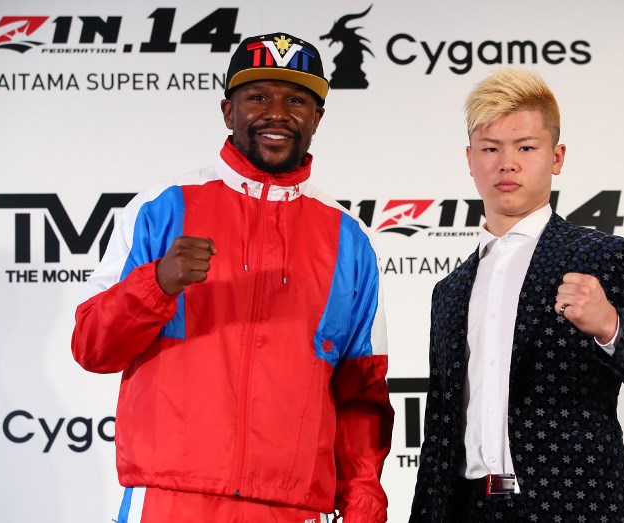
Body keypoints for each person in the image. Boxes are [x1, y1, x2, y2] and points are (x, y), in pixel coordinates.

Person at [72, 31, 393, 523]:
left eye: (296, 100)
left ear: (318, 118)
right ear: (228, 111)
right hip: (170, 500)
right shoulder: (163, 208)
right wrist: (155, 284)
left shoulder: (350, 240)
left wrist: (364, 507)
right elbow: (92, 347)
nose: (277, 113)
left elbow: (361, 395)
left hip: (292, 507)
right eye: (258, 96)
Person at [409, 68, 624, 523]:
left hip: (574, 507)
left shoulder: (605, 257)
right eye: (490, 149)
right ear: (469, 159)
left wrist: (611, 326)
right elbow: (441, 429)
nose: (507, 163)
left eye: (526, 147)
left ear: (556, 157)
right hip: (466, 508)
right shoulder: (449, 290)